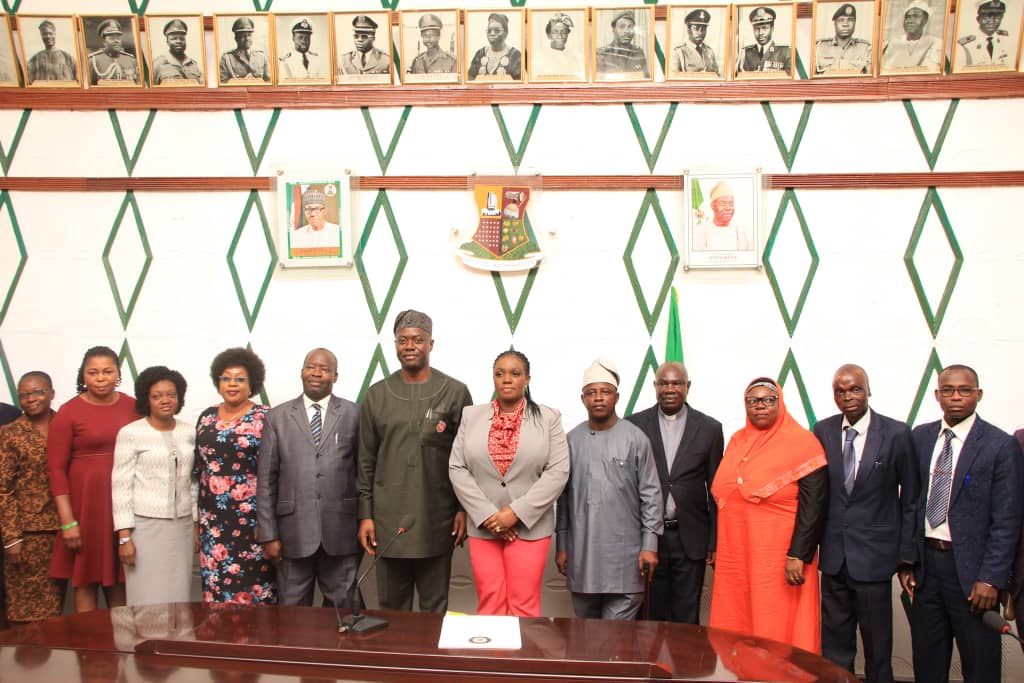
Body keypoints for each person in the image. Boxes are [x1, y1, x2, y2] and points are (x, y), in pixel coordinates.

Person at [897, 365, 1022, 683]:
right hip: (927, 568)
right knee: (928, 662)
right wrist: (907, 560)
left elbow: (1007, 520)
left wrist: (991, 579)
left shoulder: (999, 445)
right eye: (948, 390)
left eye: (965, 390)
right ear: (937, 395)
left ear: (978, 395)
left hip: (973, 576)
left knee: (980, 666)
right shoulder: (921, 437)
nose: (956, 397)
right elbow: (910, 503)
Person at [357, 309, 472, 613]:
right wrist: (366, 516)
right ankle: (396, 662)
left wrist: (463, 509)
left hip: (438, 519)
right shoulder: (376, 395)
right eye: (402, 340)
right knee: (392, 608)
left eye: (417, 340)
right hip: (388, 520)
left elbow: (467, 460)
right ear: (394, 345)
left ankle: (433, 662)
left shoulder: (456, 392)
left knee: (435, 607)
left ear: (431, 344)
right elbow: (365, 462)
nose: (409, 346)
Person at [813, 365, 917, 683]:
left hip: (874, 559)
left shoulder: (896, 433)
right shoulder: (823, 430)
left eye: (855, 389)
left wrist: (907, 557)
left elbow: (911, 498)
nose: (848, 397)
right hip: (833, 558)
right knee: (835, 649)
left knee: (877, 649)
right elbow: (818, 494)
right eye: (840, 391)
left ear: (868, 390)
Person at [709, 378, 827, 653]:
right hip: (737, 558)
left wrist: (799, 554)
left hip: (782, 561)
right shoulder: (738, 440)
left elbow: (814, 507)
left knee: (777, 629)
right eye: (753, 400)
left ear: (780, 402)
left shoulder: (804, 443)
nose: (760, 405)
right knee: (739, 626)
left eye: (768, 400)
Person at [448, 350, 569, 616]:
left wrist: (515, 513)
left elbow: (558, 471)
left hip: (530, 528)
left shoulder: (549, 418)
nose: (507, 379)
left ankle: (522, 658)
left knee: (522, 604)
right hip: (484, 527)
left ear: (527, 379)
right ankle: (492, 658)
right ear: (493, 378)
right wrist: (490, 516)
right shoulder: (471, 416)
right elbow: (457, 467)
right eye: (499, 373)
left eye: (515, 374)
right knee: (490, 601)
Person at [556, 358, 663, 620]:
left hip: (626, 559)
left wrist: (650, 546)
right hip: (582, 556)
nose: (599, 398)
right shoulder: (571, 440)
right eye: (592, 393)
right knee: (584, 637)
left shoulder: (635, 438)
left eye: (605, 392)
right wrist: (562, 545)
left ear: (616, 396)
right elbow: (564, 497)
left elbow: (651, 496)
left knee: (615, 639)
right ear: (583, 399)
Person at [257, 349, 361, 607]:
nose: (316, 373)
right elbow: (266, 480)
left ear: (335, 376)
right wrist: (268, 535)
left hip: (342, 533)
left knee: (344, 613)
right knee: (292, 615)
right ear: (302, 372)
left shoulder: (353, 414)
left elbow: (364, 474)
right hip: (292, 534)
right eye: (310, 367)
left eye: (324, 369)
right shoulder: (277, 417)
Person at [626, 362, 724, 624]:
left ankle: (684, 667)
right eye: (664, 383)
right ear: (655, 387)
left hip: (690, 537)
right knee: (648, 614)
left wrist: (714, 540)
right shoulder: (634, 425)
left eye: (677, 383)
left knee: (686, 615)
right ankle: (650, 665)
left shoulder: (710, 429)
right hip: (647, 538)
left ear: (687, 387)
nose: (670, 389)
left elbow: (716, 489)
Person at [47, 346, 138, 613]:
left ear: (118, 375)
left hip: (123, 506)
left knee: (120, 578)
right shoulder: (69, 411)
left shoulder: (133, 406)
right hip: (85, 507)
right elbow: (56, 469)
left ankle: (119, 648)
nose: (100, 378)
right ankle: (88, 648)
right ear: (83, 376)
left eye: (108, 371)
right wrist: (68, 522)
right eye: (93, 372)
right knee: (85, 579)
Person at [195, 348, 276, 604]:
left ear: (252, 382)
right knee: (215, 589)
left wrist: (269, 525)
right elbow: (198, 470)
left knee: (254, 590)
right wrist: (197, 522)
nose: (232, 384)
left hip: (252, 520)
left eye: (239, 379)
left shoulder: (266, 416)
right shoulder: (206, 417)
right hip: (213, 521)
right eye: (226, 378)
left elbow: (275, 472)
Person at [111, 366, 196, 606]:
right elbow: (120, 486)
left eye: (171, 394)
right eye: (157, 396)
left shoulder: (190, 432)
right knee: (146, 596)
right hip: (145, 528)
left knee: (179, 595)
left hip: (182, 526)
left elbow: (193, 482)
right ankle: (145, 643)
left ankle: (176, 644)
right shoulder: (131, 433)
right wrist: (124, 537)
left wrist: (197, 521)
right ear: (146, 399)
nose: (165, 400)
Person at [0, 372, 63, 623]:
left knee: (57, 609)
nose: (31, 399)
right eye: (24, 395)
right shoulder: (10, 433)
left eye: (37, 392)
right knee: (25, 610)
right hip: (27, 533)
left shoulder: (66, 425)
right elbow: (3, 488)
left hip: (66, 529)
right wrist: (11, 537)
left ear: (51, 393)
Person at [882, 0, 942, 70]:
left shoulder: (936, 44)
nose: (910, 21)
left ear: (925, 20)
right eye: (907, 17)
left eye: (916, 16)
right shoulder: (892, 44)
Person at [692, 182, 752, 251]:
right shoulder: (699, 232)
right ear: (712, 206)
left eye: (731, 203)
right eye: (723, 203)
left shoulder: (743, 232)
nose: (728, 208)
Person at [815, 4, 872, 75]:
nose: (845, 24)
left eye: (850, 20)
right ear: (834, 23)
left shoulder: (865, 49)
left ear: (855, 23)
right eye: (841, 20)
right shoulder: (819, 47)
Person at [736, 7, 792, 74]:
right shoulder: (745, 53)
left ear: (772, 28)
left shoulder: (785, 52)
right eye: (757, 29)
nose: (760, 33)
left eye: (765, 28)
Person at [957, 0, 1013, 67]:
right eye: (987, 16)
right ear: (978, 19)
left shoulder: (1007, 40)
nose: (992, 21)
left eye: (997, 16)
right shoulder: (966, 45)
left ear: (1002, 18)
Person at [467, 13, 522, 81]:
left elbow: (519, 84)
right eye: (489, 31)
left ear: (505, 33)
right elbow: (470, 80)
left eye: (497, 31)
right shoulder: (480, 54)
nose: (492, 34)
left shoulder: (515, 55)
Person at [596, 10, 649, 77]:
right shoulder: (602, 54)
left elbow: (645, 80)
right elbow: (599, 83)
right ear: (613, 29)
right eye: (622, 27)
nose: (626, 31)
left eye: (630, 27)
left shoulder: (639, 53)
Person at [88, 19, 139, 85]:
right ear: (104, 42)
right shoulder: (94, 61)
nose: (116, 41)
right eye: (112, 38)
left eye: (118, 38)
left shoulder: (131, 60)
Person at [151, 19, 202, 85]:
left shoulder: (194, 65)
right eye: (174, 39)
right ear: (167, 42)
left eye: (182, 39)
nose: (178, 41)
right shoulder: (158, 64)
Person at [219, 17, 270, 83]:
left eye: (249, 35)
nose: (247, 38)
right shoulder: (226, 58)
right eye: (243, 36)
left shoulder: (261, 57)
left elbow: (269, 81)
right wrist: (242, 81)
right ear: (236, 38)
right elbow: (222, 83)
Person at [671, 10, 720, 76]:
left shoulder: (709, 51)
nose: (700, 32)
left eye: (703, 28)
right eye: (696, 28)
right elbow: (675, 79)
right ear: (688, 29)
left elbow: (717, 76)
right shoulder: (679, 52)